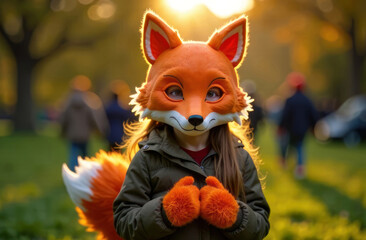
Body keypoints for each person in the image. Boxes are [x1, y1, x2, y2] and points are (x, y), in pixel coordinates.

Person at [113, 12, 269, 240]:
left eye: (213, 93)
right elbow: (124, 222)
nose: (195, 113)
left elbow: (261, 224)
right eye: (175, 92)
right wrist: (165, 213)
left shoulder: (239, 159)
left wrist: (233, 214)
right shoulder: (147, 158)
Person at [60, 75, 109, 172]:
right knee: (85, 154)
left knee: (73, 153)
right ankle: (85, 172)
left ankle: (73, 172)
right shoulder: (89, 100)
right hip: (85, 133)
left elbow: (64, 118)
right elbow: (93, 118)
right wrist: (99, 130)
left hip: (72, 133)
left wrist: (62, 131)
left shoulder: (68, 101)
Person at [278, 72, 319, 179]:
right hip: (303, 129)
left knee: (290, 146)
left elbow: (285, 115)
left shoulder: (290, 100)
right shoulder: (307, 100)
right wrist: (313, 128)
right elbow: (313, 115)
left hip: (291, 129)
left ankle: (286, 163)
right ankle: (300, 168)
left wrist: (281, 126)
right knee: (300, 147)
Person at [105, 81, 136, 151]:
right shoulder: (123, 109)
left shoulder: (108, 108)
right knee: (118, 151)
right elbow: (129, 118)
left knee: (110, 151)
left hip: (110, 133)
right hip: (120, 133)